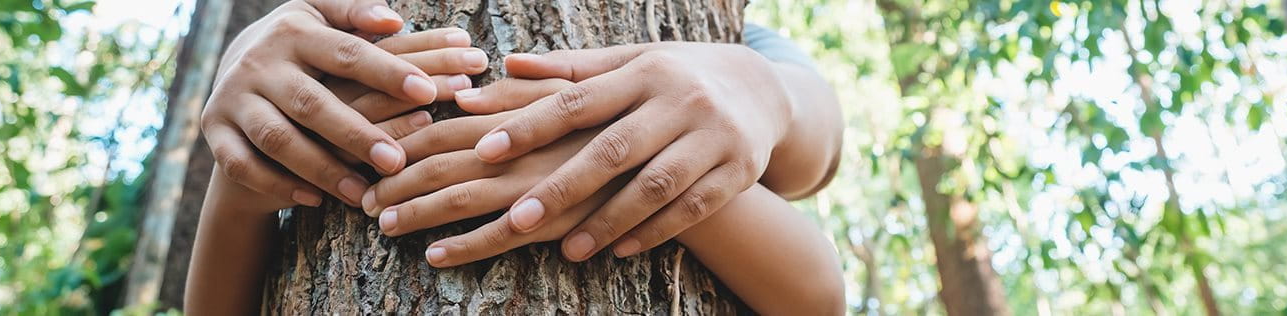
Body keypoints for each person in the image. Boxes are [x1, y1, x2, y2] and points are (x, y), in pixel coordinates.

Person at [184, 0, 845, 314]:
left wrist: (759, 85)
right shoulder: (341, 29)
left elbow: (815, 148)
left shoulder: (734, 37)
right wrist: (246, 170)